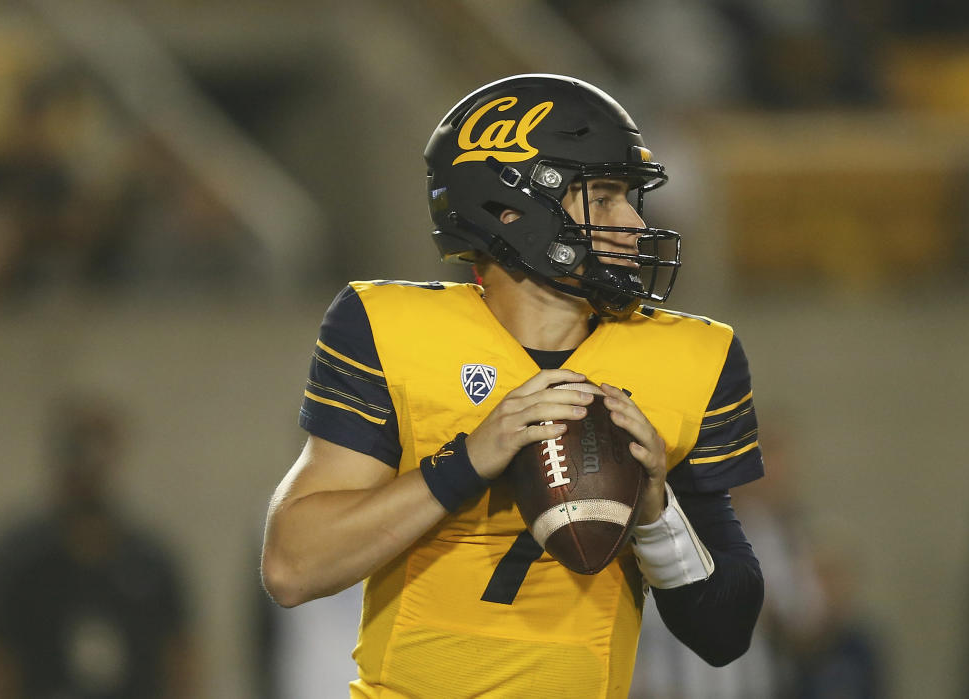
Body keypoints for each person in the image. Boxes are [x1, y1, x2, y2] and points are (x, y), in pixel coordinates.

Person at [260, 74, 766, 698]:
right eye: (603, 197)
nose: (634, 222)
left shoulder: (689, 357)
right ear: (513, 209)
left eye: (631, 197)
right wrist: (467, 461)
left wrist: (657, 510)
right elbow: (292, 568)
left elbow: (725, 633)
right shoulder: (388, 328)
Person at [0, 395, 196, 699]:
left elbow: (181, 658)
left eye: (99, 447)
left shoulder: (149, 560)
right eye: (78, 447)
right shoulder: (17, 559)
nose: (89, 463)